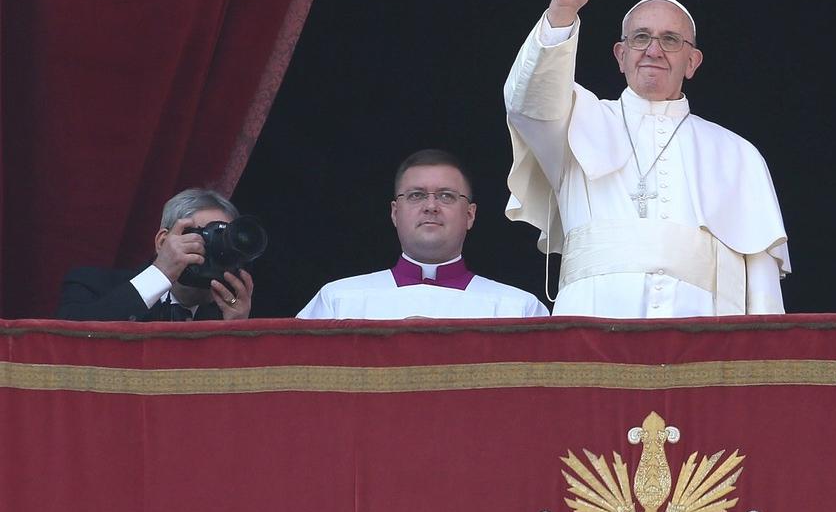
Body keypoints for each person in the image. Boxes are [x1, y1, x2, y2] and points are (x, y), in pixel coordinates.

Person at [502, 0, 789, 317]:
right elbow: (526, 100)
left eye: (671, 40)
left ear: (692, 62)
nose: (653, 50)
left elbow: (763, 284)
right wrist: (562, 10)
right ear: (620, 55)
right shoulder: (573, 120)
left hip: (704, 345)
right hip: (591, 334)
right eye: (640, 38)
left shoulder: (737, 154)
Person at [297, 149, 549, 319]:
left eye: (446, 196)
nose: (431, 206)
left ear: (470, 215)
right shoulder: (337, 302)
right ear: (395, 213)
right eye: (416, 195)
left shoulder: (517, 309)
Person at [56, 188, 256, 322]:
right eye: (208, 238)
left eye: (224, 245)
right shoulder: (91, 284)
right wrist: (159, 274)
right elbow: (68, 344)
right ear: (163, 241)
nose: (214, 253)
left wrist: (235, 334)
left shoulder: (224, 316)